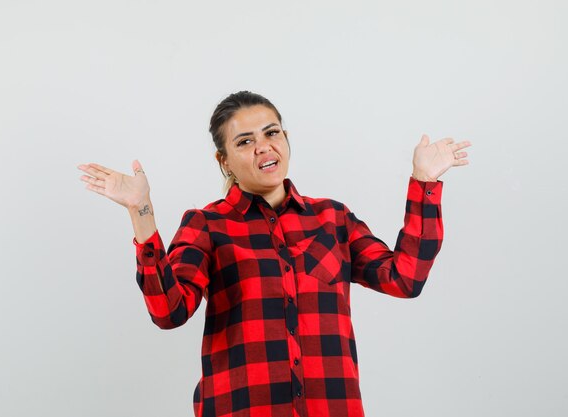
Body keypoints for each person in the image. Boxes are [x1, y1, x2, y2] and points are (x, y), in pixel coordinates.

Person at [77, 91, 470, 417]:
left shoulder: (332, 218)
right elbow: (169, 311)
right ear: (224, 160)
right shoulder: (206, 225)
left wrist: (425, 183)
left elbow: (404, 278)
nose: (263, 146)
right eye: (244, 141)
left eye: (272, 133)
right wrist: (140, 210)